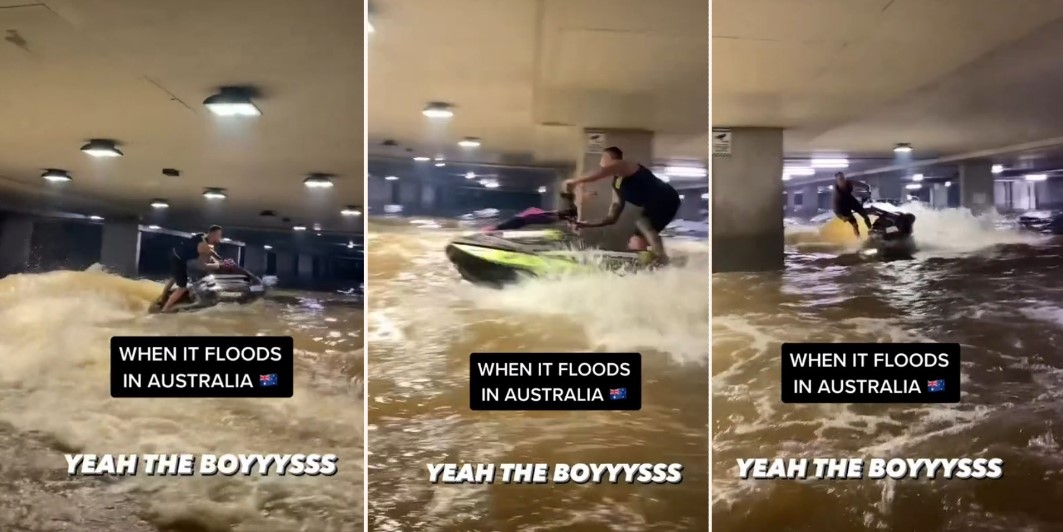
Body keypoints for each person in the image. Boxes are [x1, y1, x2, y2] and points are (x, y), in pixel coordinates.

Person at [560, 146, 681, 263]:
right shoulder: (617, 185)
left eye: (602, 158)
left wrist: (575, 181)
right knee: (636, 241)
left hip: (667, 197)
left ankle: (662, 260)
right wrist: (586, 225)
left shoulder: (626, 164)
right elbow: (611, 218)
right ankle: (647, 266)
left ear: (609, 158)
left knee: (642, 223)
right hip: (652, 206)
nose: (600, 162)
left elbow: (602, 172)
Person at [159, 225, 227, 313]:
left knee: (174, 277)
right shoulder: (203, 246)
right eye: (218, 235)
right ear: (212, 234)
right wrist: (218, 265)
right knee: (182, 287)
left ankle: (162, 298)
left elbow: (211, 252)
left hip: (174, 254)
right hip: (179, 260)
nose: (219, 238)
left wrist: (220, 259)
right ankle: (165, 309)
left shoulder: (201, 235)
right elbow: (203, 265)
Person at [833, 172, 872, 238]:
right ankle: (859, 239)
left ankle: (872, 232)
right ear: (837, 181)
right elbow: (835, 209)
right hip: (843, 206)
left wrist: (866, 186)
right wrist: (842, 217)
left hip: (851, 200)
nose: (842, 181)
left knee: (865, 216)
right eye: (840, 179)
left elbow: (857, 183)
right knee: (855, 224)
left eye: (843, 178)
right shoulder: (837, 194)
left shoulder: (848, 182)